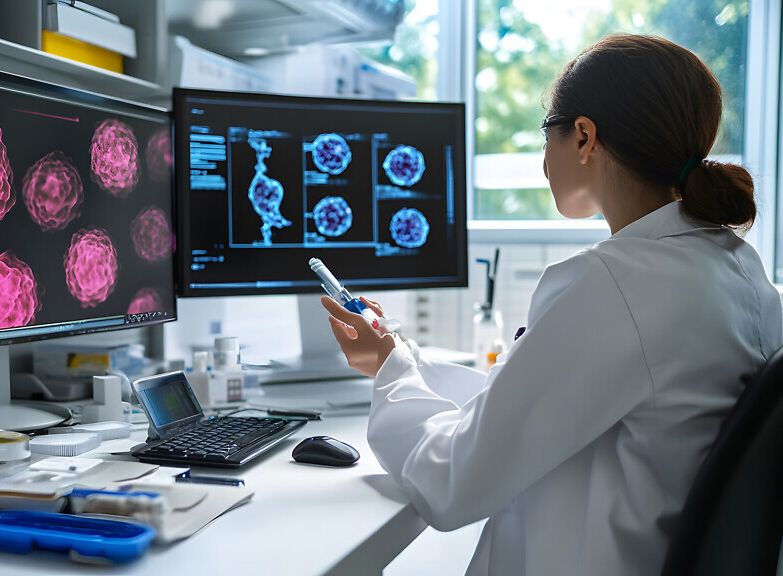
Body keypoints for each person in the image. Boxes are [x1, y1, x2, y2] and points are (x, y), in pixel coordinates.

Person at [321, 34, 782, 575]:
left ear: (584, 137)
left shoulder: (615, 283)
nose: (543, 161)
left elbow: (451, 483)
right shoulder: (738, 268)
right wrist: (406, 361)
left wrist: (387, 372)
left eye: (548, 134)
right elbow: (539, 400)